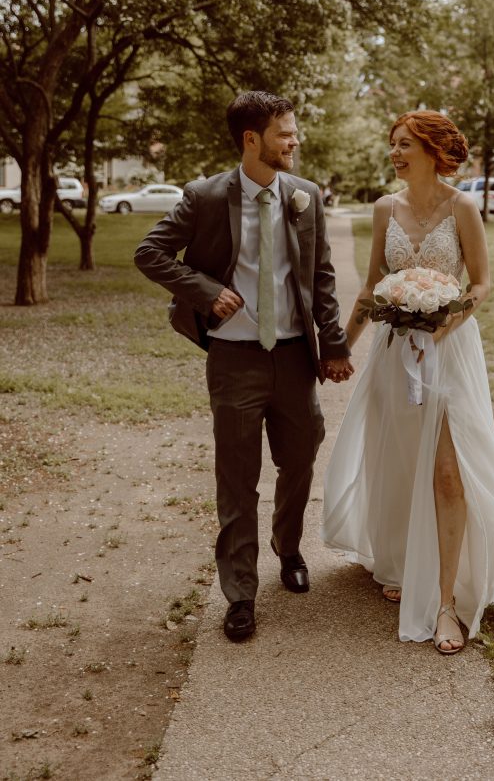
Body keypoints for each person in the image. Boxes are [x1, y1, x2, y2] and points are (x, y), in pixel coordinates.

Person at [321, 110, 494, 654]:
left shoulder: (462, 206)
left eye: (406, 143)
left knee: (447, 472)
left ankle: (444, 603)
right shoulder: (383, 207)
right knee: (397, 458)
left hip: (449, 351)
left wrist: (443, 323)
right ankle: (399, 560)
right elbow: (371, 285)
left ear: (434, 150)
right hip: (395, 355)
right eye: (392, 143)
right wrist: (342, 343)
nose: (395, 152)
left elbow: (482, 283)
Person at [135, 90, 354, 643]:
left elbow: (320, 277)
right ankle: (240, 593)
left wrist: (332, 345)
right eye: (285, 132)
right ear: (251, 140)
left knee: (300, 459)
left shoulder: (305, 196)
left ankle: (289, 546)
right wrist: (206, 290)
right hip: (233, 359)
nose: (294, 140)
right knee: (237, 478)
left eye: (294, 130)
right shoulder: (205, 196)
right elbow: (150, 253)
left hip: (293, 357)